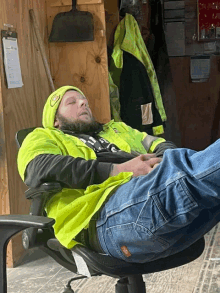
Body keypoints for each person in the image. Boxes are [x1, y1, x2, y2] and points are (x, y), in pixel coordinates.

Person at [17, 85, 220, 264]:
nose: (83, 103)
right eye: (72, 102)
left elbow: (156, 142)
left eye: (85, 101)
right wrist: (119, 170)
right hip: (100, 216)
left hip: (153, 199)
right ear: (55, 120)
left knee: (194, 170)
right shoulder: (44, 136)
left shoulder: (116, 128)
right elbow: (37, 167)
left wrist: (165, 164)